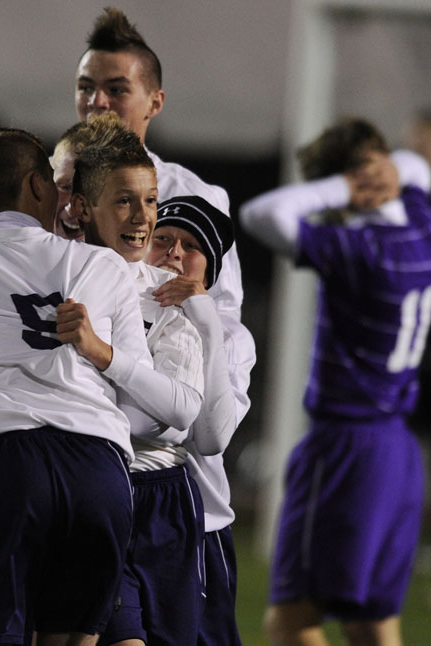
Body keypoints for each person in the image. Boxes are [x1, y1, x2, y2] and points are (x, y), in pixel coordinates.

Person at [0, 125, 158, 646]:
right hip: (99, 468)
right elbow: (137, 386)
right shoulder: (103, 263)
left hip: (3, 464)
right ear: (36, 186)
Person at [240, 117, 431, 646]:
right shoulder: (422, 226)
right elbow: (418, 167)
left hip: (346, 448)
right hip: (399, 451)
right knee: (372, 624)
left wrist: (343, 185)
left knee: (290, 623)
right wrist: (385, 169)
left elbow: (260, 215)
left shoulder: (360, 250)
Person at [64, 115, 209, 646]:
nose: (142, 217)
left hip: (164, 495)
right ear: (83, 208)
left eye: (149, 201)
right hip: (89, 490)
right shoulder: (59, 280)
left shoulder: (169, 293)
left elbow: (181, 415)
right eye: (125, 201)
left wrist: (103, 359)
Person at [74, 7, 244, 318]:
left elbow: (225, 315)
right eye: (85, 87)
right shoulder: (41, 185)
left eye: (116, 90)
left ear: (155, 102)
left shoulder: (193, 196)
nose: (96, 101)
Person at [146, 197, 256, 646]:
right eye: (163, 239)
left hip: (198, 525)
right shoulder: (115, 308)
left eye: (190, 246)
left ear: (208, 270)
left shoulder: (231, 335)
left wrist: (206, 326)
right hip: (121, 508)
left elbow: (211, 438)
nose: (173, 251)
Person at [405, 109, 431, 610]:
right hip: (403, 361)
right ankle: (398, 552)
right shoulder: (395, 210)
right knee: (395, 456)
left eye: (425, 149)